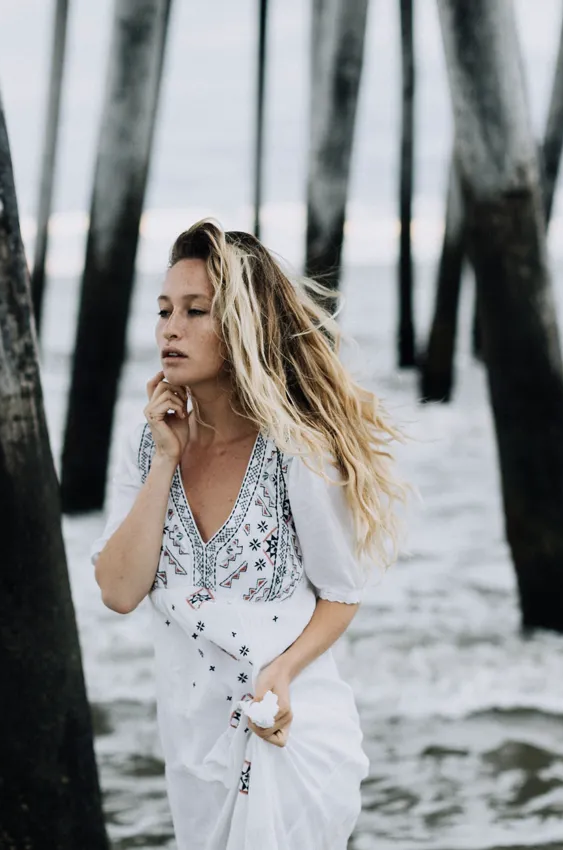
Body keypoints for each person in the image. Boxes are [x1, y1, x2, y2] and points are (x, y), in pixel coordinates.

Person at [90, 219, 410, 848]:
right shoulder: (146, 445)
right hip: (192, 750)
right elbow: (118, 590)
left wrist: (285, 672)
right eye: (163, 311)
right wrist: (163, 461)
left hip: (285, 736)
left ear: (239, 324)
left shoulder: (295, 450)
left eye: (194, 311)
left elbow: (342, 593)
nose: (170, 329)